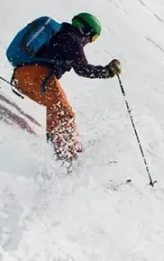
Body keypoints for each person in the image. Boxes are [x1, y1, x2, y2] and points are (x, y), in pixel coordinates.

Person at [11, 12, 121, 163]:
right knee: (62, 110)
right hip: (37, 75)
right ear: (86, 30)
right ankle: (68, 156)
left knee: (56, 106)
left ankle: (66, 148)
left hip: (22, 78)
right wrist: (107, 72)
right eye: (93, 37)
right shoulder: (72, 38)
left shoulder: (62, 34)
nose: (90, 41)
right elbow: (83, 69)